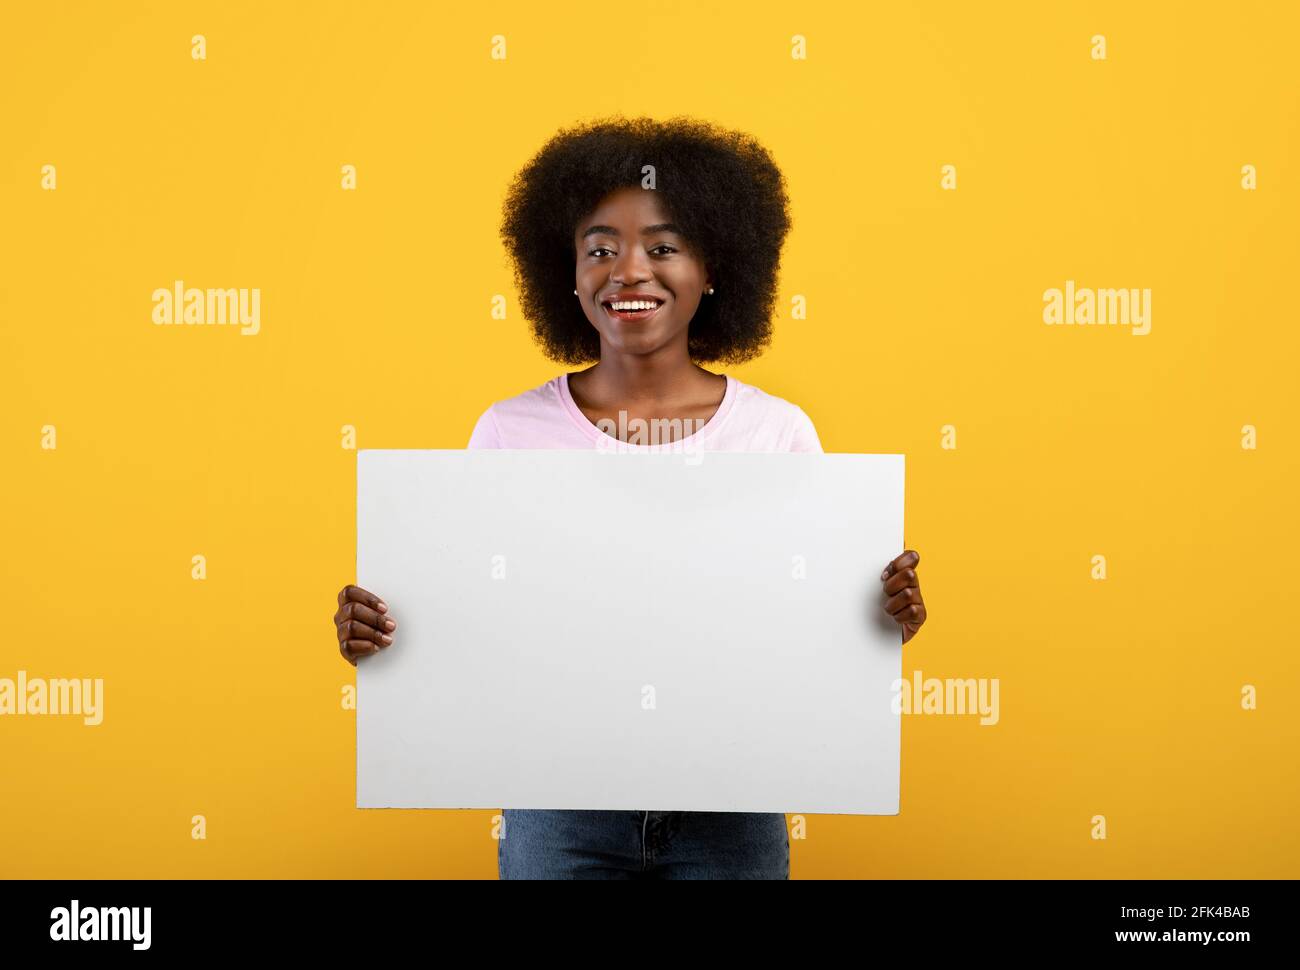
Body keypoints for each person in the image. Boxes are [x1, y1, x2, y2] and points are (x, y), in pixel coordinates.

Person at [333, 115, 928, 879]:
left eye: (664, 247)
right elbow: (471, 616)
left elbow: (812, 623)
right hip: (559, 810)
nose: (629, 271)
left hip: (733, 809)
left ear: (713, 269)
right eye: (600, 249)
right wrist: (384, 635)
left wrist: (880, 621)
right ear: (568, 272)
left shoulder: (777, 433)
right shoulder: (509, 431)